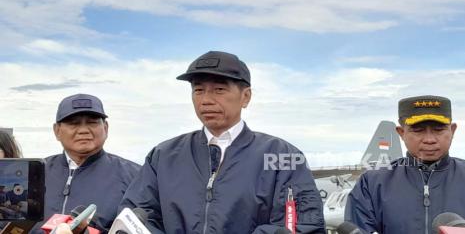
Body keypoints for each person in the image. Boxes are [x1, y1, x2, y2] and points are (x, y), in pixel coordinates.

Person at [119, 51, 325, 233]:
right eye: (198, 90)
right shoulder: (163, 156)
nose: (206, 100)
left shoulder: (283, 156)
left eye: (219, 90)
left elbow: (303, 224)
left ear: (246, 97)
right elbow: (136, 217)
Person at [345, 95, 465, 234]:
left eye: (438, 130)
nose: (429, 139)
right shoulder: (371, 184)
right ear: (401, 133)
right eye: (418, 130)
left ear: (453, 130)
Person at [34, 93, 141, 232]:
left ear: (106, 128)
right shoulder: (35, 172)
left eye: (92, 122)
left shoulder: (135, 176)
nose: (83, 130)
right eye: (73, 123)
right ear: (57, 131)